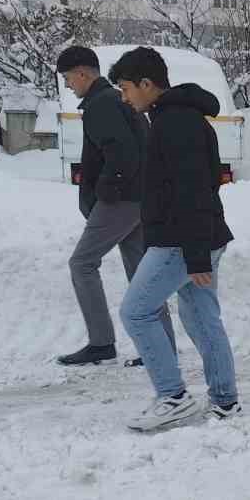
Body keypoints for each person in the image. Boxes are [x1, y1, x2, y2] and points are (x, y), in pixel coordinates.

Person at [110, 47, 240, 431]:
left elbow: (194, 190)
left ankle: (172, 396)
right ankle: (225, 400)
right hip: (197, 236)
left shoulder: (175, 123)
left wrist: (196, 255)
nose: (124, 97)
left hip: (182, 242)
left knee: (136, 311)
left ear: (147, 84)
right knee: (201, 317)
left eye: (126, 88)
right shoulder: (176, 117)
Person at [55, 46, 172, 367]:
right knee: (142, 273)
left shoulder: (101, 105)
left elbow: (122, 153)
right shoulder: (115, 99)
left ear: (82, 73)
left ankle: (101, 342)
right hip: (137, 198)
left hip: (121, 200)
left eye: (68, 78)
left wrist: (106, 190)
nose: (68, 85)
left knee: (82, 264)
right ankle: (162, 346)